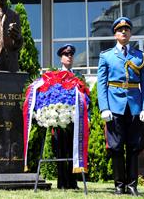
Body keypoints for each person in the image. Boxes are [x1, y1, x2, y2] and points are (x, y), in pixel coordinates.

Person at [97, 17, 144, 196]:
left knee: (134, 147)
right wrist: (104, 107)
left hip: (135, 107)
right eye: (120, 30)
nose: (124, 32)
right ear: (115, 34)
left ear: (130, 33)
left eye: (127, 29)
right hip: (114, 107)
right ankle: (119, 185)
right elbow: (101, 84)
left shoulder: (140, 56)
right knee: (116, 147)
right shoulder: (106, 56)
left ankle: (132, 185)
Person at [52, 44, 78, 189]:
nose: (69, 57)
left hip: (75, 120)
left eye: (71, 55)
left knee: (73, 150)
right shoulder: (55, 76)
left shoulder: (78, 76)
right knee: (61, 150)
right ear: (61, 58)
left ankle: (73, 182)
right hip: (60, 121)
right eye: (66, 55)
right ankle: (62, 182)